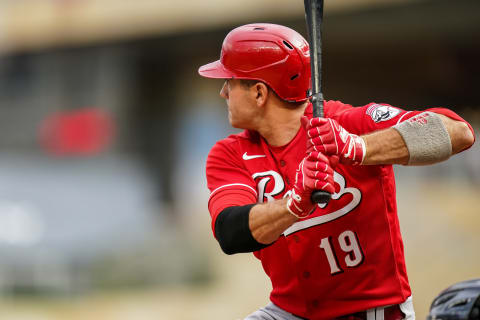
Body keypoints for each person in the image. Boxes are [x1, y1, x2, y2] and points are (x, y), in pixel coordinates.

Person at [198, 23, 475, 320]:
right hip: (290, 312)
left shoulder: (346, 123)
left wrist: (356, 148)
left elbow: (459, 133)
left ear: (259, 93)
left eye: (230, 81)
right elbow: (229, 232)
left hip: (374, 311)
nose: (223, 91)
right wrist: (294, 203)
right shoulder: (229, 153)